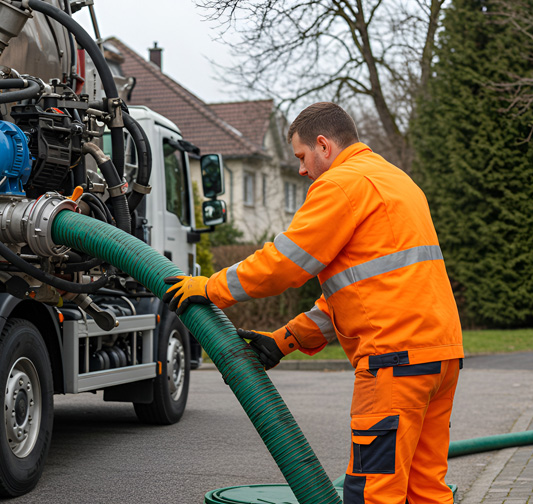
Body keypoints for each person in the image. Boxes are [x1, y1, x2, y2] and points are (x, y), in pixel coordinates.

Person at [162, 102, 463, 504]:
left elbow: (284, 263)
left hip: (393, 362)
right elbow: (355, 294)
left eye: (302, 157)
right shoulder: (396, 180)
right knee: (426, 489)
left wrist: (210, 287)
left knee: (375, 493)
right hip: (439, 357)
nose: (302, 170)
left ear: (323, 145)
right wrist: (283, 340)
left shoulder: (341, 183)